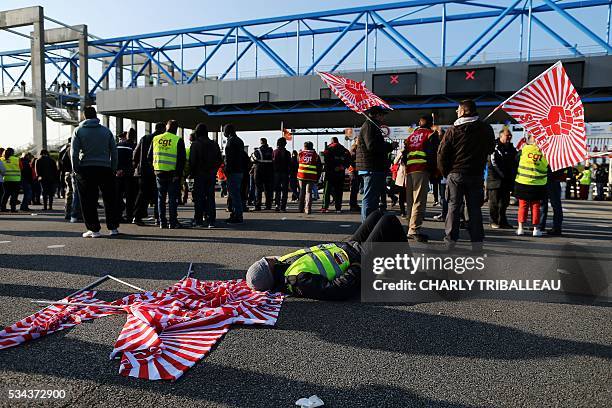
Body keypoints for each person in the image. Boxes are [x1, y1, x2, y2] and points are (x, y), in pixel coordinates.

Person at [245, 210, 407, 300]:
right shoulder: (297, 279)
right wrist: (357, 268)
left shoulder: (283, 264)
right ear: (269, 271)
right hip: (356, 260)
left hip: (346, 248)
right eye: (266, 262)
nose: (268, 258)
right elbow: (335, 289)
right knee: (389, 221)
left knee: (376, 215)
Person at [438, 100, 495, 248]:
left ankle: (450, 241)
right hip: (476, 174)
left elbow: (442, 154)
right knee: (474, 209)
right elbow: (490, 148)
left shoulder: (452, 130)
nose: (456, 113)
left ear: (463, 111)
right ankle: (477, 242)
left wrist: (446, 172)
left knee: (453, 208)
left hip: (456, 174)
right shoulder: (485, 128)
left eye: (457, 110)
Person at [71, 106, 120, 238]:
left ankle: (94, 230)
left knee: (88, 200)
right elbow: (114, 151)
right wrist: (113, 168)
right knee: (110, 199)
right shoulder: (106, 131)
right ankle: (113, 227)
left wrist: (76, 169)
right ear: (95, 115)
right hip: (105, 168)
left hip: (86, 168)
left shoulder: (78, 131)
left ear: (84, 116)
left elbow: (74, 153)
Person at [398, 115, 439, 242]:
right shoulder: (431, 134)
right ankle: (414, 230)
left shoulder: (410, 137)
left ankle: (410, 227)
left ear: (419, 123)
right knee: (419, 200)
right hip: (422, 169)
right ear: (431, 124)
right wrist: (434, 172)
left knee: (410, 200)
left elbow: (404, 155)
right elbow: (433, 154)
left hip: (409, 170)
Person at [356, 106, 394, 222]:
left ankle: (369, 222)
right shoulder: (369, 126)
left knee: (372, 198)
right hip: (371, 167)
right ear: (376, 115)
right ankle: (366, 224)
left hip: (373, 167)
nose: (383, 117)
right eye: (382, 114)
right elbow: (371, 146)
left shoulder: (373, 126)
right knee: (370, 198)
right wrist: (389, 146)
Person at [148, 120, 186, 229]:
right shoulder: (178, 140)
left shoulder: (156, 139)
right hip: (172, 173)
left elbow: (149, 157)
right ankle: (173, 222)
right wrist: (178, 174)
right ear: (176, 129)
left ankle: (162, 222)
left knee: (161, 198)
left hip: (159, 172)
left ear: (166, 127)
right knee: (172, 198)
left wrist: (155, 168)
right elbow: (181, 160)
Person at [514, 135, 548, 237]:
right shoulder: (546, 152)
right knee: (535, 207)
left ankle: (520, 228)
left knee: (522, 206)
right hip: (538, 184)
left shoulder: (525, 148)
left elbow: (516, 159)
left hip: (523, 182)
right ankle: (536, 230)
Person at [190, 123, 222, 228]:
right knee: (210, 197)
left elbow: (192, 161)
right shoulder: (214, 144)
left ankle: (198, 220)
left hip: (199, 175)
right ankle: (211, 220)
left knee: (199, 198)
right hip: (211, 175)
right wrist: (214, 170)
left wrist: (191, 173)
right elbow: (219, 160)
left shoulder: (195, 144)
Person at [133, 122, 164, 225]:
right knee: (157, 195)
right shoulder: (161, 140)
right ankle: (158, 217)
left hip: (143, 171)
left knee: (142, 194)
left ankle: (137, 217)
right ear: (163, 129)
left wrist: (136, 165)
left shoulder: (145, 138)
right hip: (156, 170)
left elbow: (136, 153)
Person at [486, 128, 518, 229]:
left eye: (510, 136)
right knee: (494, 202)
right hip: (495, 180)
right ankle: (493, 221)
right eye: (507, 135)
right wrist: (502, 175)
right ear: (501, 136)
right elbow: (493, 163)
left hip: (506, 181)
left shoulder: (512, 149)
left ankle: (503, 221)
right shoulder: (494, 147)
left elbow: (515, 163)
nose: (509, 137)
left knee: (504, 203)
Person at [321, 137, 351, 213]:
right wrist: (342, 166)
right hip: (340, 173)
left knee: (327, 191)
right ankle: (338, 208)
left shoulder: (328, 148)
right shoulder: (344, 149)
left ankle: (325, 207)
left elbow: (325, 160)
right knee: (339, 191)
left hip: (330, 173)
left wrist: (332, 167)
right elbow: (348, 160)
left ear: (331, 141)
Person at [223, 124, 245, 224]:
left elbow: (229, 158)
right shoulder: (240, 141)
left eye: (224, 131)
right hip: (239, 170)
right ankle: (236, 214)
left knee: (234, 194)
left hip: (233, 171)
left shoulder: (230, 142)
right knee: (237, 194)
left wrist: (226, 170)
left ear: (228, 131)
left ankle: (237, 215)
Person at [116, 130, 137, 222]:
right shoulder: (134, 146)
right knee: (130, 197)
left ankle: (118, 215)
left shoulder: (117, 145)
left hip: (117, 174)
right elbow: (134, 161)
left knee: (118, 195)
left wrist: (117, 170)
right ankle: (129, 216)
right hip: (130, 174)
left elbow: (113, 157)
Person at [59, 138, 81, 222]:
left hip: (67, 173)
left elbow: (61, 161)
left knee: (69, 193)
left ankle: (68, 213)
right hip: (73, 172)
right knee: (76, 194)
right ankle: (75, 214)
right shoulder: (72, 148)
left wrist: (66, 170)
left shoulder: (64, 149)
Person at [297, 141, 321, 215]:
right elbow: (319, 167)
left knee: (302, 192)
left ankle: (300, 208)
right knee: (309, 192)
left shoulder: (300, 154)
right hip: (311, 176)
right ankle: (308, 209)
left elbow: (297, 163)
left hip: (301, 175)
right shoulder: (315, 155)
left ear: (304, 147)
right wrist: (318, 177)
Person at [540, 167, 565, 236]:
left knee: (554, 206)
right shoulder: (560, 157)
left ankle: (555, 228)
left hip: (550, 180)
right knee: (553, 205)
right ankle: (555, 228)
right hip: (553, 180)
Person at [251, 138, 274, 211]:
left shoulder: (257, 151)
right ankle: (268, 205)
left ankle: (258, 206)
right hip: (269, 172)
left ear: (261, 142)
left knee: (258, 189)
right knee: (268, 190)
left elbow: (252, 159)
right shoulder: (271, 151)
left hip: (259, 172)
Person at [272, 137, 291, 212]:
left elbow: (272, 163)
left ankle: (277, 204)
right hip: (285, 173)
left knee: (277, 190)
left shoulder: (274, 152)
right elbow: (289, 164)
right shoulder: (287, 153)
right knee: (285, 190)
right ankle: (283, 206)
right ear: (284, 144)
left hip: (276, 173)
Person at [1, 148, 21, 212]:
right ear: (12, 153)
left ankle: (3, 208)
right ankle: (13, 209)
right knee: (14, 195)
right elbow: (22, 168)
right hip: (16, 180)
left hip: (5, 179)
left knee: (5, 195)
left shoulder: (1, 159)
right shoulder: (17, 159)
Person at [348, 140, 361, 212]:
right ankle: (353, 205)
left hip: (355, 170)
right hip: (354, 171)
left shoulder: (356, 149)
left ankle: (354, 204)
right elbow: (351, 160)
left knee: (355, 189)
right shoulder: (354, 149)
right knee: (354, 188)